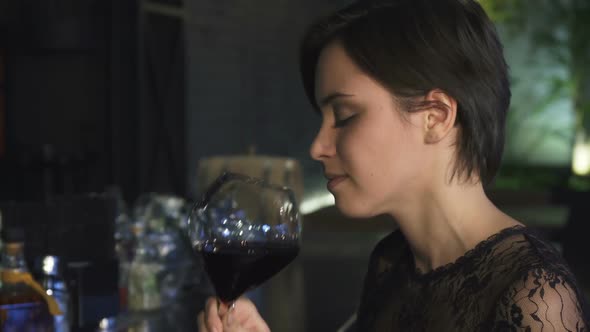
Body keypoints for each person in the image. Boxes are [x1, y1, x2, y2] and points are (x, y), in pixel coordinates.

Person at [198, 0, 590, 330]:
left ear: (435, 116)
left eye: (346, 115)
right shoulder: (394, 262)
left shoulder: (534, 298)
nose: (317, 146)